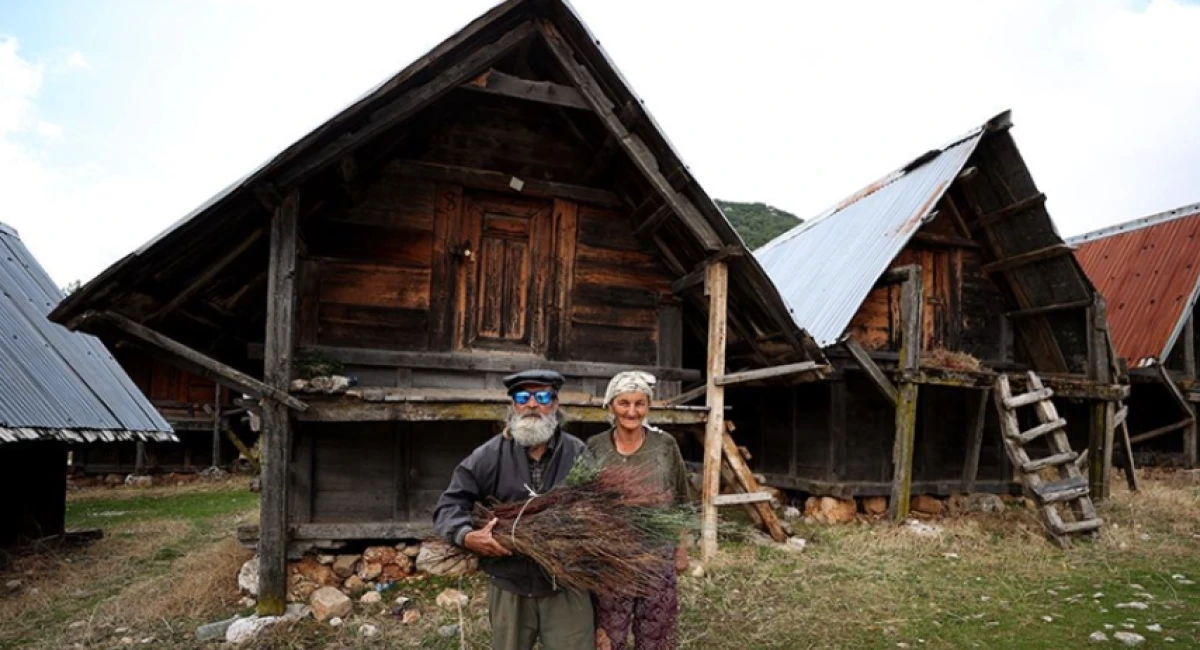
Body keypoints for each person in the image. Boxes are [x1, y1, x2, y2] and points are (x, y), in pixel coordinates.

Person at [433, 369, 595, 650]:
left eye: (542, 396)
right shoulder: (489, 455)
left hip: (567, 584)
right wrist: (465, 535)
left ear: (555, 404)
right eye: (523, 396)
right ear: (513, 405)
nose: (532, 404)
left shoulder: (577, 453)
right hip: (509, 584)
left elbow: (599, 509)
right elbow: (449, 505)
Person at [586, 371, 693, 650]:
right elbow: (582, 504)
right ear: (611, 405)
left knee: (656, 636)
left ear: (648, 406)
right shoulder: (595, 447)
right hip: (611, 559)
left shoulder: (665, 445)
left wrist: (681, 550)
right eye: (624, 403)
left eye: (639, 403)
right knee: (608, 637)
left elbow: (681, 501)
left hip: (657, 558)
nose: (632, 411)